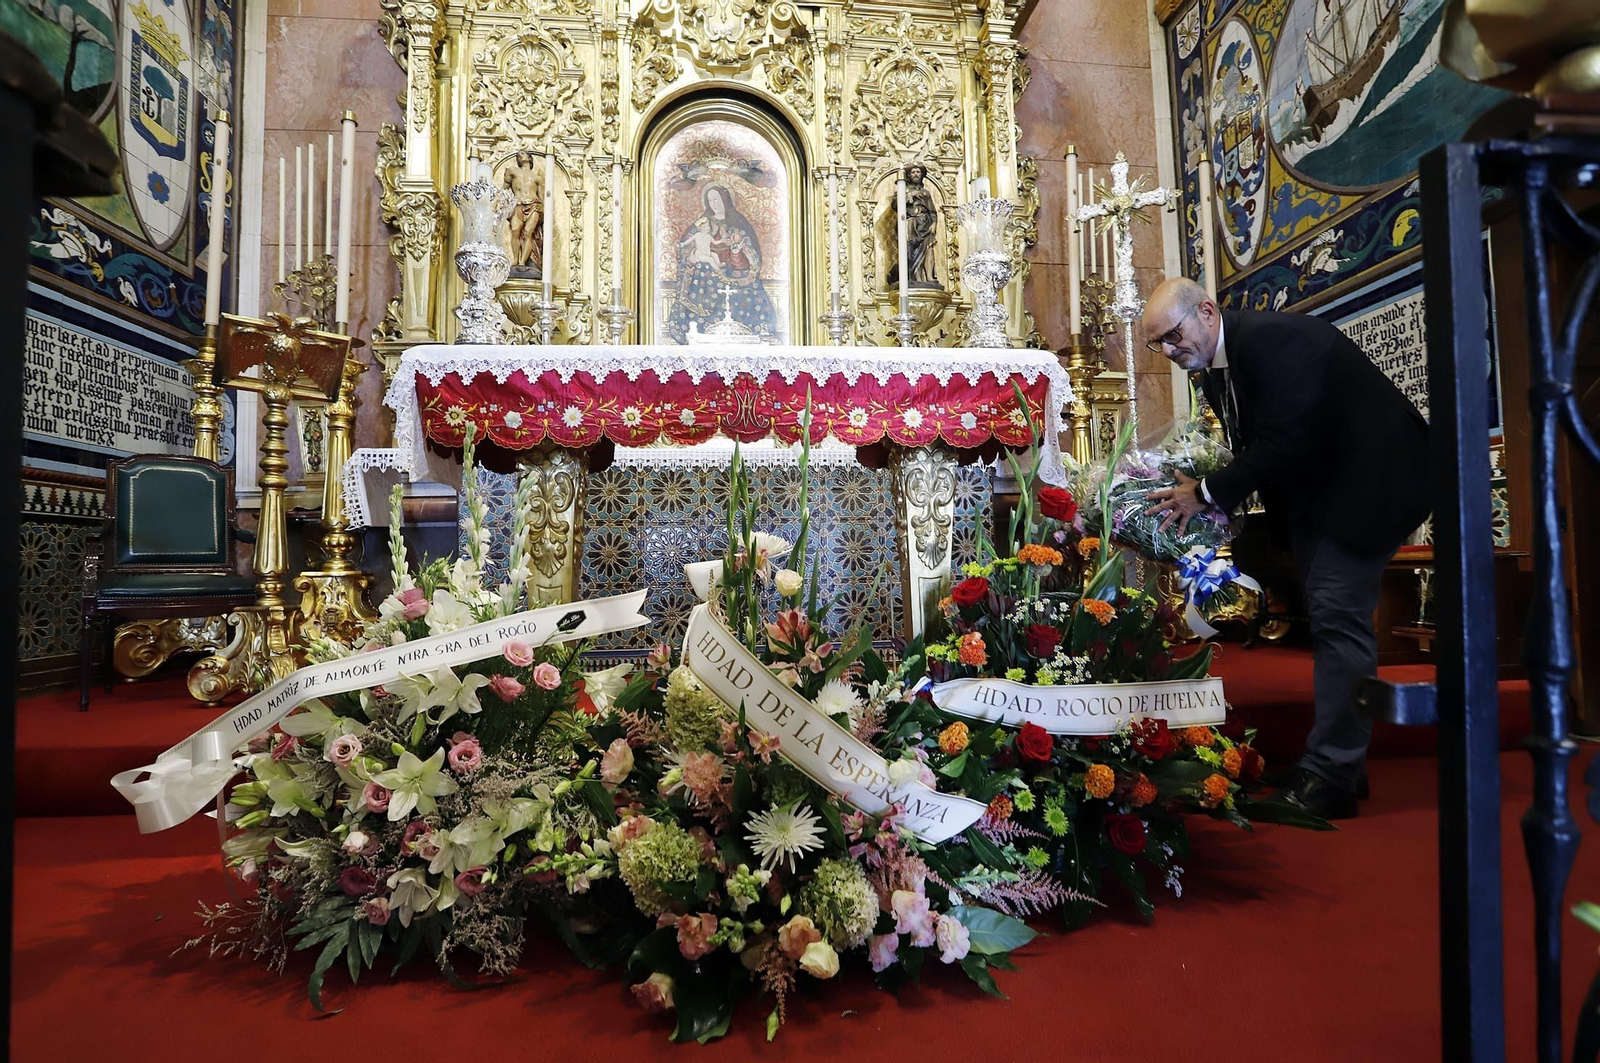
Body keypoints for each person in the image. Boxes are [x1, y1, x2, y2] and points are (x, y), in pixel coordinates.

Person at [1142, 277, 1430, 818]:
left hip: (1372, 486)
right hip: (1328, 496)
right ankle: (1331, 761)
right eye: (1157, 343)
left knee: (1338, 615)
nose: (1169, 350)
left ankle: (1335, 774)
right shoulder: (1216, 368)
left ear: (1206, 311)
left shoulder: (1273, 339)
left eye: (1172, 335)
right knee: (1330, 616)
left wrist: (1205, 493)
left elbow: (1287, 439)